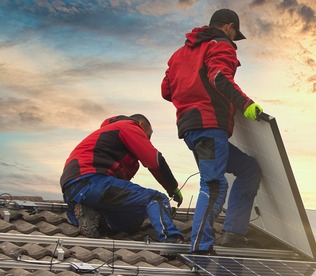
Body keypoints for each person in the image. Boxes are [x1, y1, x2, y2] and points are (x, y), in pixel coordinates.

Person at [162, 8, 263, 255]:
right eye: (234, 34)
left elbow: (166, 90)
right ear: (229, 27)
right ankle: (200, 246)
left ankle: (234, 233)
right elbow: (219, 76)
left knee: (248, 169)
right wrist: (246, 104)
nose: (233, 39)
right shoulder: (221, 44)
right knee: (215, 185)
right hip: (209, 126)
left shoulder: (179, 54)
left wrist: (190, 90)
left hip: (190, 128)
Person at [60, 114, 185, 243]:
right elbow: (155, 161)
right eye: (148, 135)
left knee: (131, 223)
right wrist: (172, 188)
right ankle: (170, 238)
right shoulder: (129, 127)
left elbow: (121, 195)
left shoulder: (109, 136)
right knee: (156, 198)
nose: (148, 140)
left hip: (73, 189)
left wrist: (159, 213)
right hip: (92, 180)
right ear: (141, 125)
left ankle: (91, 215)